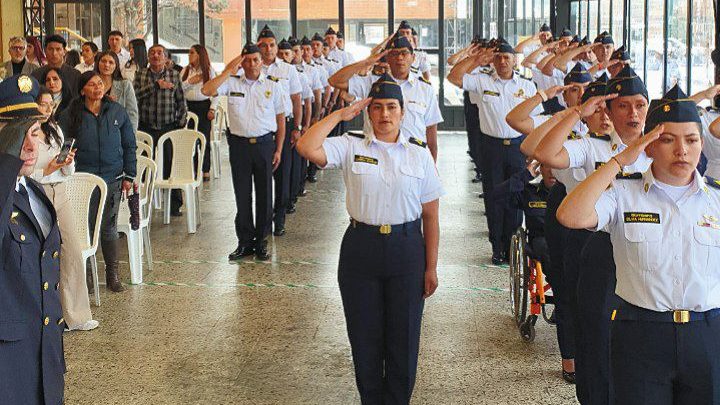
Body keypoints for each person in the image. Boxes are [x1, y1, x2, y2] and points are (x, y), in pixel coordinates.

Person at [557, 84, 720, 405]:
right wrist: (617, 162)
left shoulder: (716, 200)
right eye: (667, 140)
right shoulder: (623, 193)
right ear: (649, 146)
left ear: (702, 144)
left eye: (691, 140)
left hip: (707, 334)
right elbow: (571, 216)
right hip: (640, 332)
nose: (682, 151)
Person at [296, 75, 443, 405]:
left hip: (407, 249)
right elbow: (306, 146)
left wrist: (431, 266)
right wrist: (339, 115)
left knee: (403, 339)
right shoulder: (350, 145)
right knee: (365, 337)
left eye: (392, 107)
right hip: (361, 249)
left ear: (403, 113)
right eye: (376, 108)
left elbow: (431, 216)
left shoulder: (419, 154)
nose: (384, 115)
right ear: (368, 112)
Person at [534, 65, 653, 404]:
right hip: (600, 249)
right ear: (609, 112)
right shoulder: (592, 144)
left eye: (640, 105)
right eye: (623, 106)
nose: (633, 113)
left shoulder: (659, 146)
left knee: (638, 346)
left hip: (645, 251)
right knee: (597, 341)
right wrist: (576, 112)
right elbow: (544, 154)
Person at [0, 74, 65, 405]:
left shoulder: (34, 192)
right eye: (15, 134)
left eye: (34, 133)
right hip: (8, 370)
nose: (28, 145)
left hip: (44, 358)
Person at [448, 41, 540, 264]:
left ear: (514, 60)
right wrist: (478, 59)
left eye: (506, 57)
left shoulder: (527, 86)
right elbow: (453, 77)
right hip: (492, 148)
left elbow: (536, 121)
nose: (502, 61)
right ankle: (497, 246)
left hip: (518, 146)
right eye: (497, 57)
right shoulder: (482, 80)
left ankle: (512, 246)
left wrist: (534, 151)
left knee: (517, 195)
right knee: (493, 197)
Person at [201, 43, 285, 261]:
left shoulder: (273, 85)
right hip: (239, 146)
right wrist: (230, 69)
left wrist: (279, 148)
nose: (251, 64)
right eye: (246, 60)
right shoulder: (231, 82)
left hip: (265, 145)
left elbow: (280, 117)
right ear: (241, 61)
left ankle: (262, 241)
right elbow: (207, 90)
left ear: (261, 61)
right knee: (242, 194)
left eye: (255, 60)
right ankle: (245, 242)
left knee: (265, 194)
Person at [58, 71, 137, 293]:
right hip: (83, 180)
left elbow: (130, 145)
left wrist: (129, 175)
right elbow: (61, 144)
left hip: (112, 178)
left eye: (100, 84)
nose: (97, 88)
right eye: (92, 84)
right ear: (83, 89)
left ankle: (112, 275)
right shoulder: (70, 114)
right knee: (87, 228)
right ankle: (88, 276)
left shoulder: (116, 111)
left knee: (109, 229)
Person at [33, 86, 98, 331]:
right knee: (40, 252)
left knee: (72, 249)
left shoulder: (55, 130)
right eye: (42, 104)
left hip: (60, 191)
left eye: (50, 104)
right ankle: (45, 315)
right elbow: (22, 171)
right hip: (36, 192)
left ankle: (76, 315)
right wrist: (46, 170)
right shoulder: (24, 133)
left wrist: (67, 162)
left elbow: (67, 172)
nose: (47, 109)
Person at [329, 36, 443, 160]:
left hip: (413, 158)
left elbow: (431, 131)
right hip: (377, 156)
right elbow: (334, 81)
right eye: (394, 54)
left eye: (404, 53)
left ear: (413, 58)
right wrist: (367, 62)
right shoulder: (372, 83)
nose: (399, 58)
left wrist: (433, 167)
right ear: (387, 58)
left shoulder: (425, 88)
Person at [255, 25, 302, 237]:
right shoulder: (253, 68)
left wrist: (297, 128)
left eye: (271, 45)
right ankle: (263, 222)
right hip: (262, 126)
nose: (268, 49)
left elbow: (296, 99)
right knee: (263, 177)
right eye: (263, 46)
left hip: (287, 124)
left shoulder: (288, 70)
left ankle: (280, 218)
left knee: (283, 175)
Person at [134, 43, 187, 216]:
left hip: (168, 126)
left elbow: (181, 100)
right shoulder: (141, 74)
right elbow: (135, 96)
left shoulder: (174, 75)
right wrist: (156, 85)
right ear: (148, 57)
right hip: (146, 126)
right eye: (152, 53)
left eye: (159, 53)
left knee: (170, 164)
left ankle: (174, 205)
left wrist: (181, 121)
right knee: (143, 165)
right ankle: (141, 202)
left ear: (165, 57)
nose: (156, 56)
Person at [180, 44, 217, 181]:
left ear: (200, 55)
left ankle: (205, 169)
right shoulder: (185, 71)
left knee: (204, 138)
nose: (189, 55)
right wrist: (191, 81)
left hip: (203, 107)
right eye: (189, 53)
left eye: (192, 53)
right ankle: (191, 168)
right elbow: (179, 90)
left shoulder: (209, 71)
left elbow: (216, 93)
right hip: (187, 107)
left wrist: (212, 108)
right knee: (189, 139)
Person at [95, 50, 139, 131]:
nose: (106, 65)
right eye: (103, 61)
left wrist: (130, 136)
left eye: (111, 62)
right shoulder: (91, 84)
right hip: (95, 130)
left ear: (116, 66)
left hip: (119, 132)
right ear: (98, 63)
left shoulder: (125, 85)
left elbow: (132, 114)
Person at [32, 35, 81, 99]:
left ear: (64, 52)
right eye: (50, 49)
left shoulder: (75, 75)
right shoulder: (36, 74)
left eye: (58, 49)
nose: (54, 53)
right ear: (45, 51)